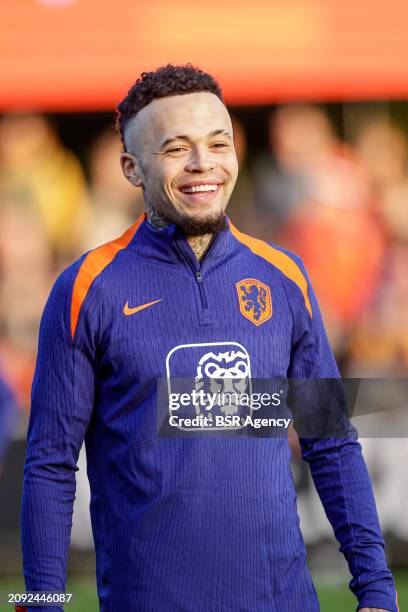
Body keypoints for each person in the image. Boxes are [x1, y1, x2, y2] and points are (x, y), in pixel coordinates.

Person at [20, 64, 398, 612]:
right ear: (132, 167)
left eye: (217, 143)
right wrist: (41, 603)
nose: (204, 164)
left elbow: (331, 441)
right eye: (176, 149)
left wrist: (378, 591)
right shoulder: (87, 289)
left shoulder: (285, 278)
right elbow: (50, 464)